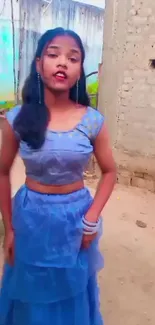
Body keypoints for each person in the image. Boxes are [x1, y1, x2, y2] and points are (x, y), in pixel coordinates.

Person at [0, 27, 116, 325]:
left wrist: (91, 220)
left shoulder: (93, 121)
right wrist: (9, 228)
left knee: (71, 291)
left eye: (73, 58)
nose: (62, 62)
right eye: (54, 54)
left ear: (80, 71)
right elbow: (2, 172)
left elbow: (110, 171)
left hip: (75, 220)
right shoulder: (18, 118)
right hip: (30, 217)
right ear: (39, 64)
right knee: (31, 293)